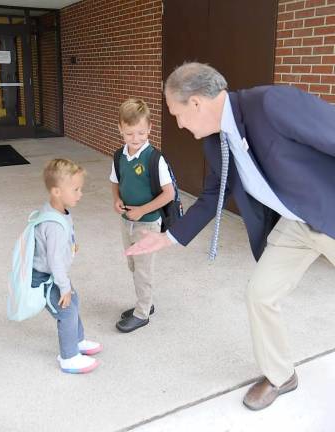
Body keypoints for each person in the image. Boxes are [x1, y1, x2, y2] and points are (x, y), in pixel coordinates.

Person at [125, 62, 335, 409]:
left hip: (329, 214)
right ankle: (281, 375)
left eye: (177, 113)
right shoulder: (214, 138)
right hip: (295, 225)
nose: (178, 123)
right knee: (260, 295)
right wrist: (168, 237)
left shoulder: (271, 103)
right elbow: (213, 196)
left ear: (196, 103)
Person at [109, 98, 175, 333]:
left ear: (149, 128)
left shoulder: (154, 159)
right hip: (126, 222)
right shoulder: (120, 156)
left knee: (143, 269)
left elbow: (169, 193)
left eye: (140, 133)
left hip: (147, 224)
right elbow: (115, 182)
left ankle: (142, 313)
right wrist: (117, 200)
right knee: (133, 266)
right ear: (120, 129)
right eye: (129, 134)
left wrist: (142, 211)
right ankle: (145, 302)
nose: (135, 139)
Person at [32, 158, 102, 374]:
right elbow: (53, 260)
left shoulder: (57, 211)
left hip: (54, 274)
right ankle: (69, 357)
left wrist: (70, 247)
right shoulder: (53, 224)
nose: (80, 194)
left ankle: (77, 340)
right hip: (45, 278)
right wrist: (64, 288)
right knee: (66, 311)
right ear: (56, 192)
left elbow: (56, 247)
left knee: (74, 303)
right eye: (76, 189)